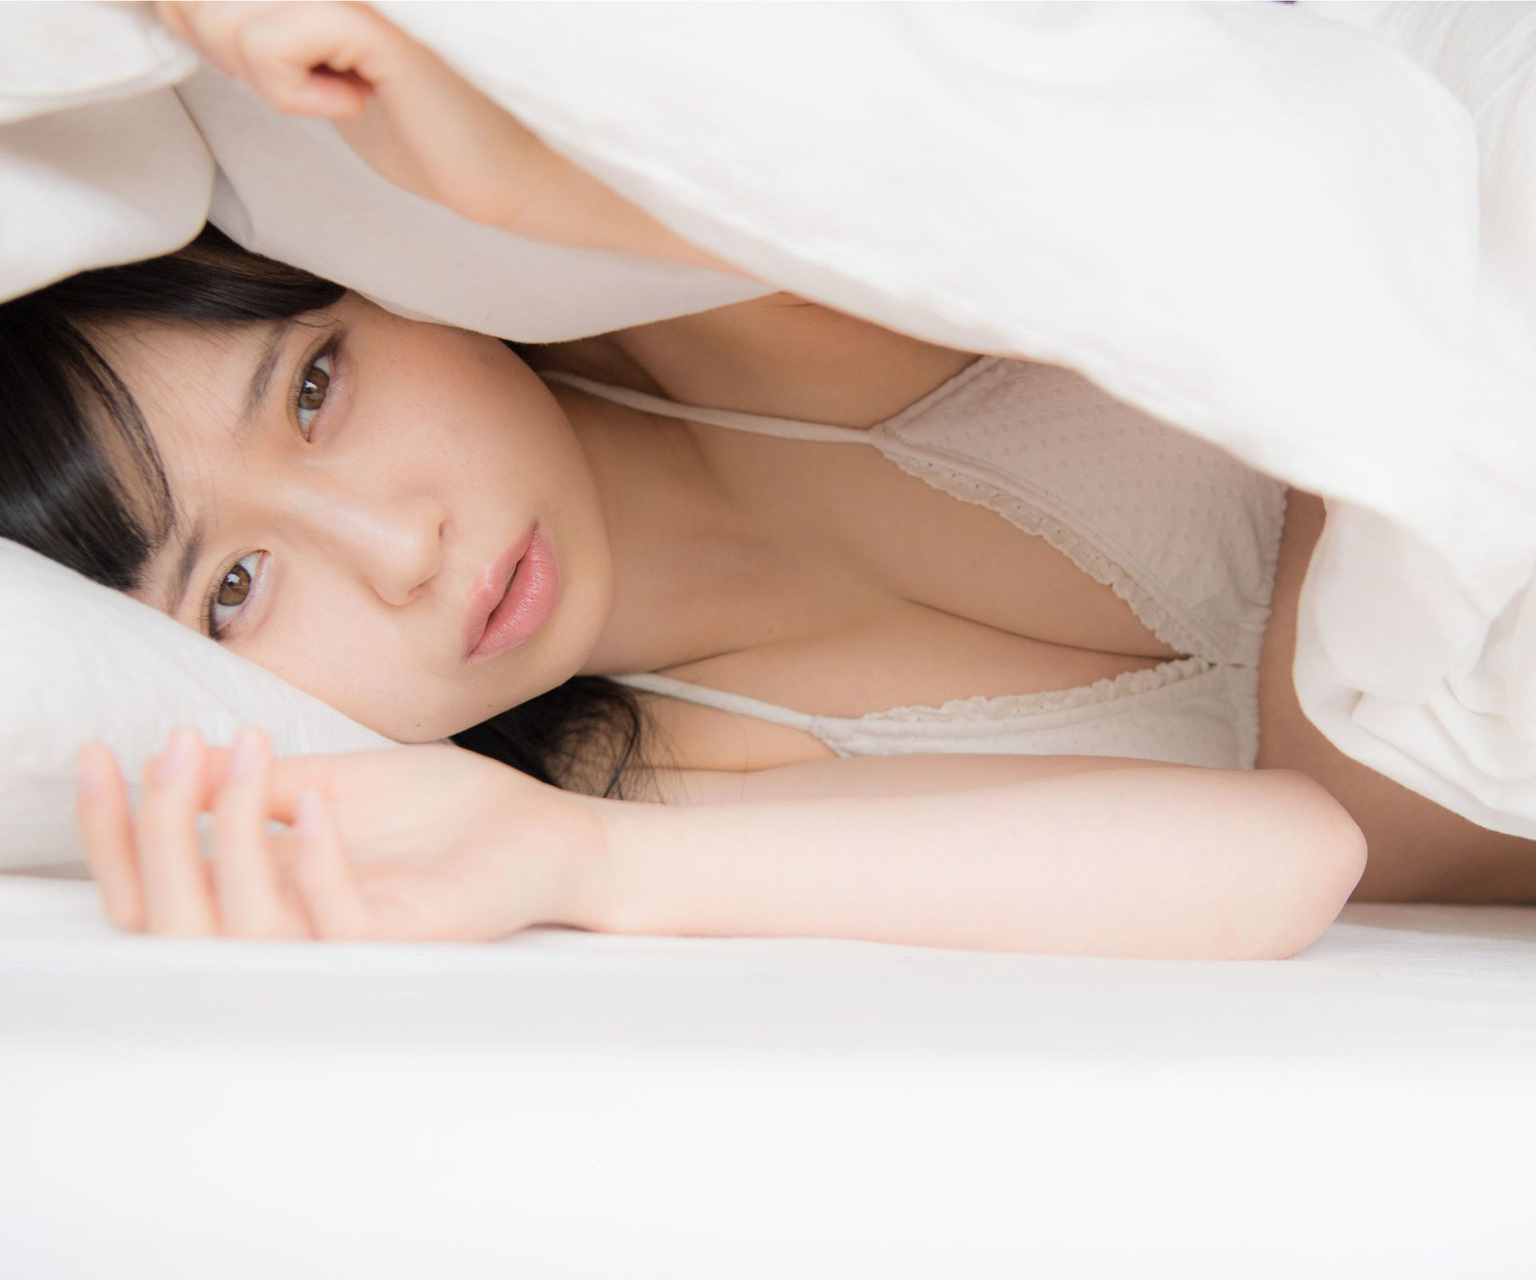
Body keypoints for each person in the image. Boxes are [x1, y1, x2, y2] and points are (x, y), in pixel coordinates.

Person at [0, 3, 1520, 955]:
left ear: (384, 289)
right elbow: (1293, 852)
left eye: (315, 389)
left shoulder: (759, 313)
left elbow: (1198, 193)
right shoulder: (646, 782)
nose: (399, 548)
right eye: (235, 590)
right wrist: (586, 864)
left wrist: (511, 174)